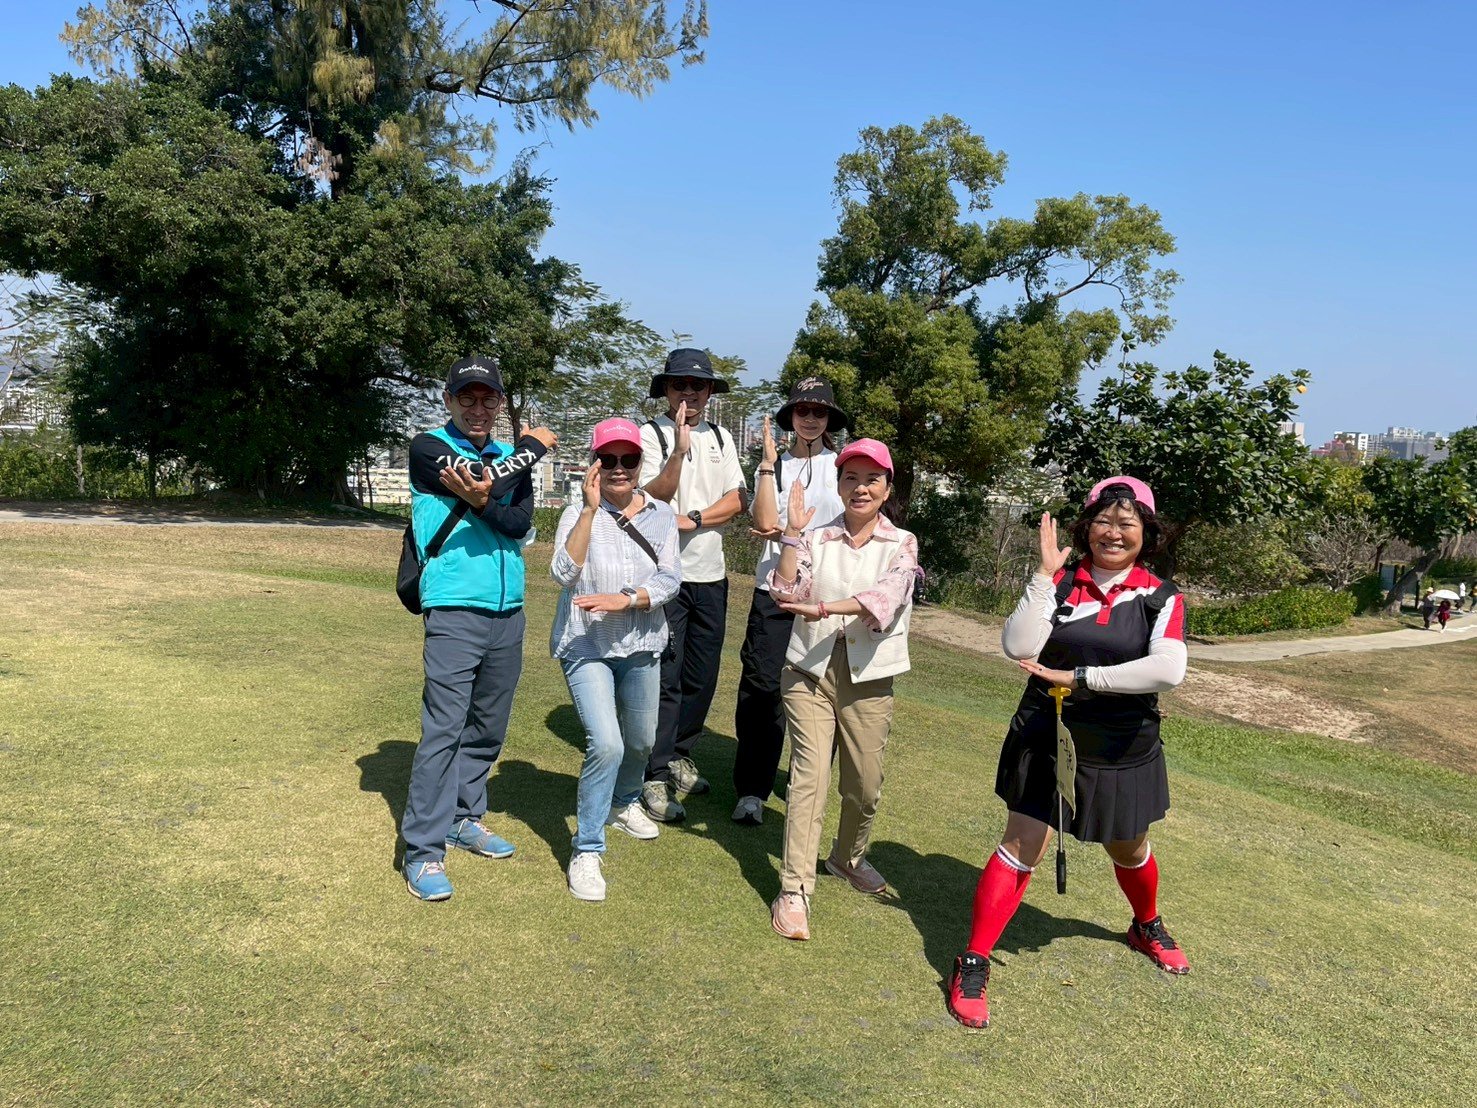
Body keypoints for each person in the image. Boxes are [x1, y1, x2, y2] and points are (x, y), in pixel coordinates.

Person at [946, 476, 1190, 1028]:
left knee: (1129, 847)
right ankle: (974, 960)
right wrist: (1041, 574)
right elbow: (1018, 645)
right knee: (1021, 842)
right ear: (1086, 527)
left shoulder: (1160, 595)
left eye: (1127, 523)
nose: (1114, 532)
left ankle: (1145, 924)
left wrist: (1078, 677)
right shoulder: (1058, 583)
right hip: (1046, 731)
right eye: (1104, 521)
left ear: (1146, 533)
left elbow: (1168, 669)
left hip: (1121, 742)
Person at [401, 356, 558, 902]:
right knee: (444, 728)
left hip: (508, 608)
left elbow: (519, 523)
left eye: (488, 398)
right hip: (453, 606)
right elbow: (477, 479)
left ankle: (464, 817)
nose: (477, 408)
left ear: (499, 403)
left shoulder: (507, 458)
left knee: (488, 725)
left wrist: (484, 499)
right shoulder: (427, 447)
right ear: (448, 400)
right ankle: (422, 850)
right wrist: (533, 447)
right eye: (466, 397)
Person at [766, 439, 919, 941]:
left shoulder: (902, 543)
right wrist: (791, 535)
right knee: (809, 779)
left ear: (887, 488)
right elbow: (786, 591)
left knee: (865, 785)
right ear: (838, 485)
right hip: (808, 671)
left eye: (872, 479)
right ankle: (794, 889)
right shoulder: (816, 537)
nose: (860, 488)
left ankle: (847, 858)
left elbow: (886, 600)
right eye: (851, 477)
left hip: (869, 678)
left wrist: (826, 608)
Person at [550, 418, 681, 902]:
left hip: (641, 642)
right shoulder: (575, 512)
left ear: (641, 462)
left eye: (629, 459)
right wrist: (588, 512)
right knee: (606, 743)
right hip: (586, 645)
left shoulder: (662, 516)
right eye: (609, 459)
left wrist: (625, 600)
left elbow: (670, 579)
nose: (619, 468)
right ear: (595, 464)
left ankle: (624, 802)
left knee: (641, 741)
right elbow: (562, 573)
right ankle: (587, 848)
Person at [731, 378, 848, 825]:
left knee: (821, 691)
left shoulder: (842, 466)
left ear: (829, 418)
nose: (811, 419)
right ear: (791, 416)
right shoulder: (775, 466)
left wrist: (788, 532)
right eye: (803, 410)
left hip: (825, 594)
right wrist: (766, 465)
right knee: (762, 688)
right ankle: (752, 790)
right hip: (774, 590)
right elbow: (763, 521)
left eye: (819, 411)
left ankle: (806, 782)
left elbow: (846, 527)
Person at [636, 349, 747, 822]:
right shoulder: (650, 434)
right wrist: (679, 451)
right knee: (667, 675)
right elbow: (650, 496)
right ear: (666, 388)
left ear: (709, 392)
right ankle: (655, 773)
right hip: (665, 577)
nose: (689, 392)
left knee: (702, 676)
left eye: (698, 385)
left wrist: (693, 518)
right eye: (680, 383)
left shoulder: (721, 436)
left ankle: (680, 753)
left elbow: (738, 498)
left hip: (711, 574)